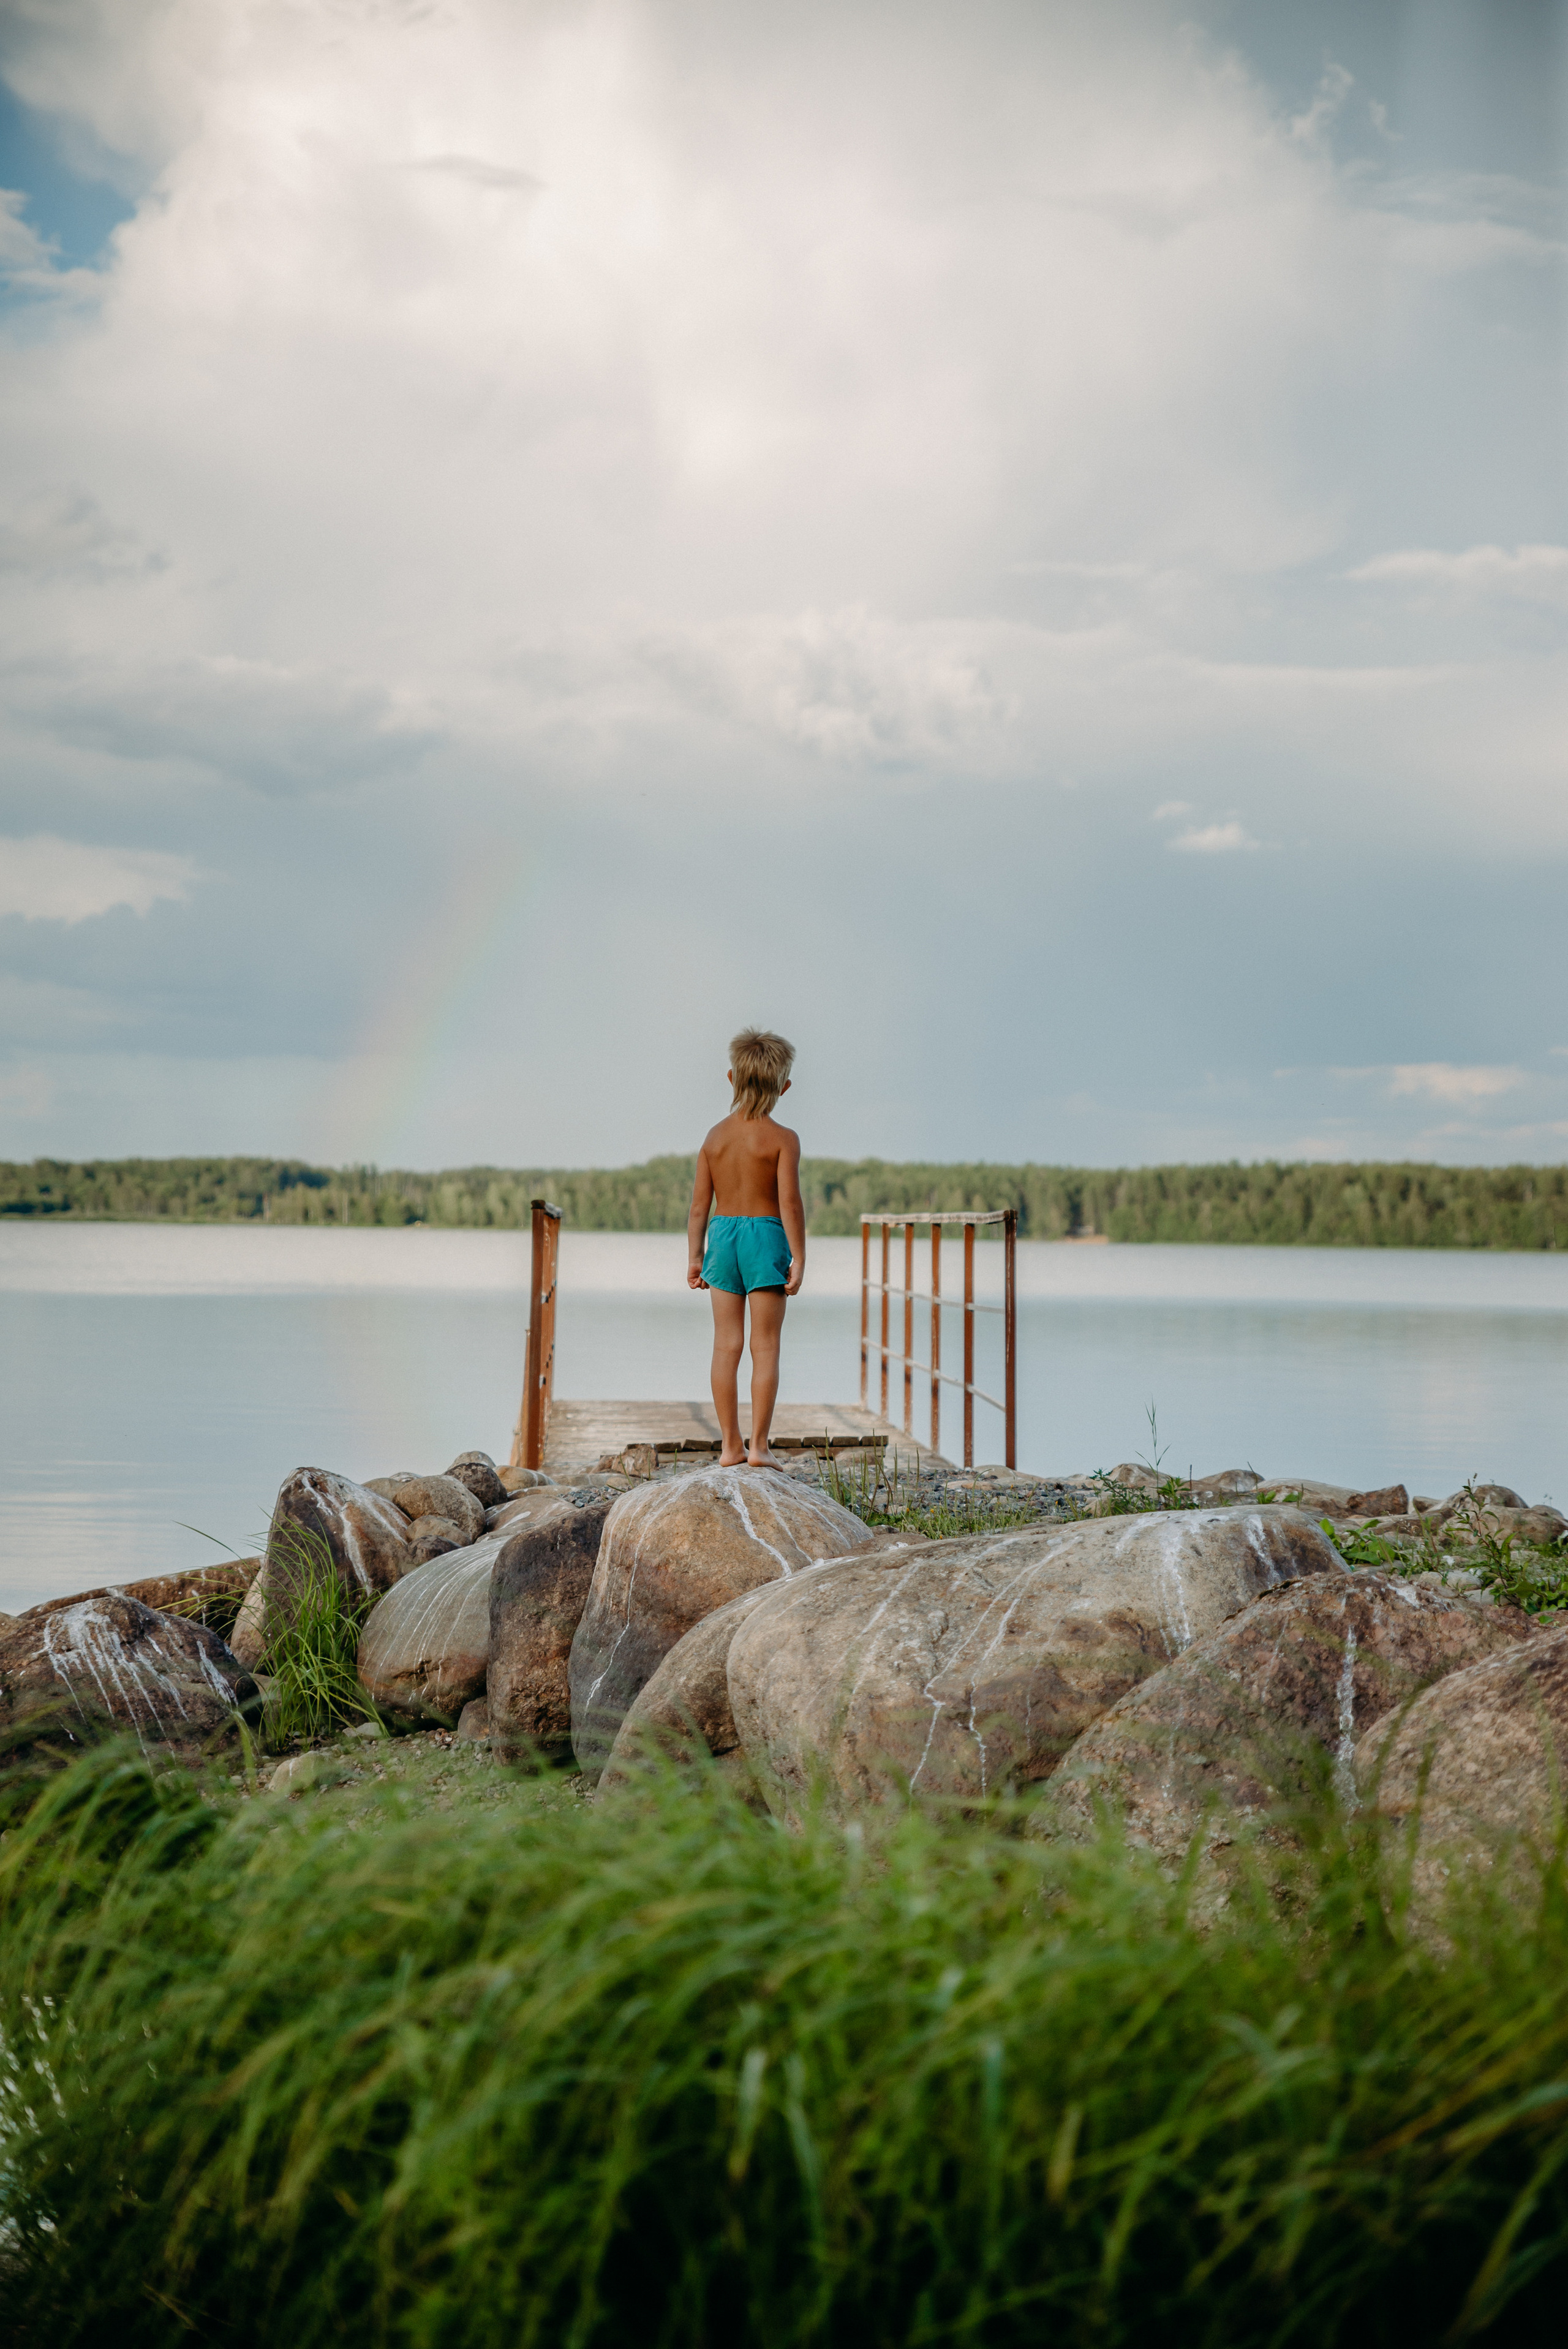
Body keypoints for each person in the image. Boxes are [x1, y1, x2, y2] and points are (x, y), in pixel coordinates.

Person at [687, 1028, 805, 1468]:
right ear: (784, 1087)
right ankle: (759, 1447)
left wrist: (695, 1258)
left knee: (726, 1346)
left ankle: (728, 1447)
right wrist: (799, 1256)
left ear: (732, 1078)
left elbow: (700, 1207)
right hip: (765, 1237)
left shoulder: (714, 1138)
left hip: (721, 1238)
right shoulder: (783, 1139)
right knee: (766, 1347)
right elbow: (789, 1203)